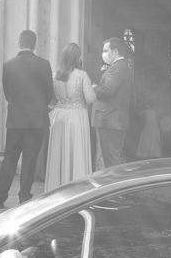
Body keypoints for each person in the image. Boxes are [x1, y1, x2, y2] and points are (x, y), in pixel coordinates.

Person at [0, 30, 54, 209]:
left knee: (9, 158)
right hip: (37, 119)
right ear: (34, 45)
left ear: (18, 43)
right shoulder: (44, 65)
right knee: (30, 158)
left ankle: (0, 197)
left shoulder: (8, 65)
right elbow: (49, 93)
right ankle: (24, 196)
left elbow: (7, 92)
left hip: (15, 119)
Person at [44, 42, 97, 192]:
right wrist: (93, 88)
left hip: (59, 116)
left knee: (58, 154)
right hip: (77, 116)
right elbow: (90, 98)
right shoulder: (82, 75)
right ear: (77, 57)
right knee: (77, 151)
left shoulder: (56, 75)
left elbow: (51, 98)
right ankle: (77, 189)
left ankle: (57, 187)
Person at [92, 37, 133, 168]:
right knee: (113, 157)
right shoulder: (119, 66)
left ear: (114, 51)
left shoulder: (117, 67)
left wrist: (94, 88)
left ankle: (115, 186)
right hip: (115, 120)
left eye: (105, 50)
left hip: (111, 119)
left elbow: (106, 91)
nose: (103, 53)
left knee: (111, 160)